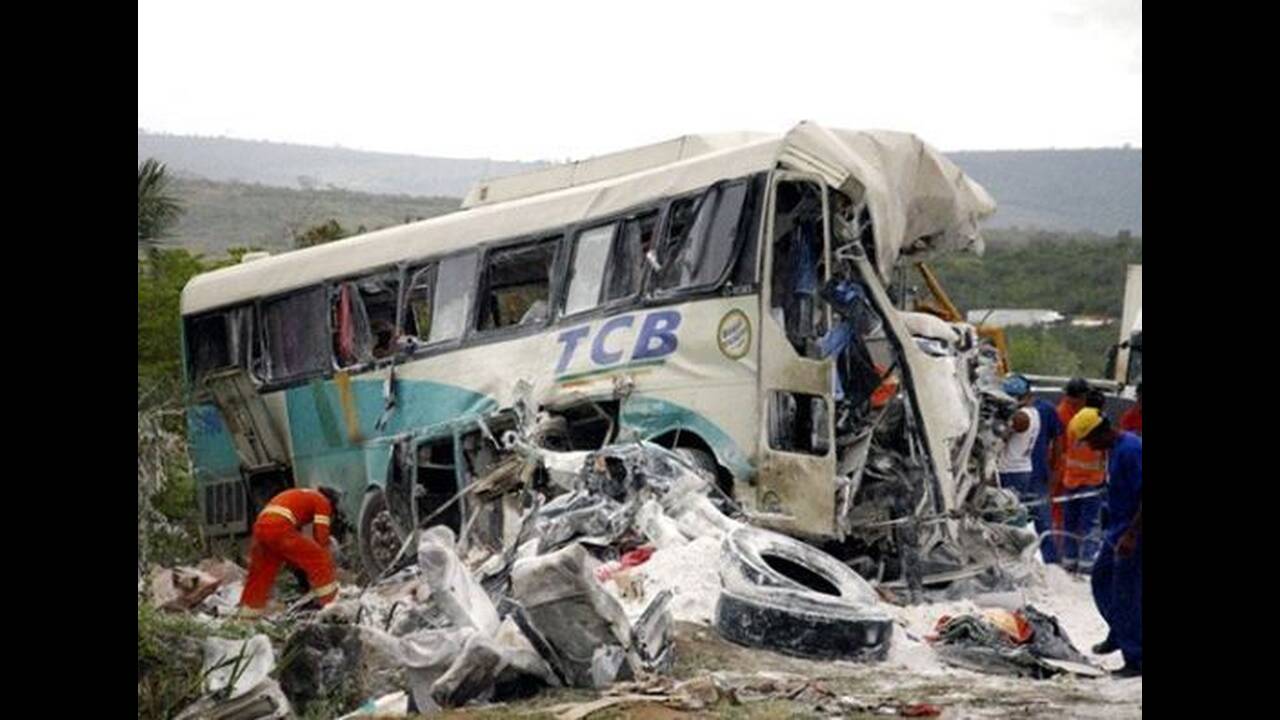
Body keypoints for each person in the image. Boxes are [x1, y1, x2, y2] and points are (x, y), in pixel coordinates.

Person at [1068, 407, 1141, 676]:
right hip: (1117, 528)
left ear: (1101, 432)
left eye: (1089, 440)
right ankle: (1119, 632)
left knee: (1127, 593)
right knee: (1102, 580)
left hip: (1132, 531)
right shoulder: (1114, 450)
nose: (1089, 447)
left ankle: (1136, 657)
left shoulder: (1131, 450)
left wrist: (1132, 535)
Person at [237, 486, 348, 618]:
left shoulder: (302, 496)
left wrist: (299, 567)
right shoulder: (322, 501)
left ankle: (247, 615)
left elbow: (294, 548)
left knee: (261, 573)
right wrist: (328, 559)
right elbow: (321, 536)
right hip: (278, 527)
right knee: (319, 558)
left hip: (261, 527)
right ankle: (331, 605)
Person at [997, 374, 1063, 563]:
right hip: (1026, 469)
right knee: (1034, 519)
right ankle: (1050, 561)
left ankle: (1017, 560)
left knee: (1011, 520)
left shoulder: (1021, 416)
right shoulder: (1035, 412)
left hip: (1012, 471)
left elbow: (1002, 436)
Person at [1055, 378, 1106, 570]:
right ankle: (1086, 562)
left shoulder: (1072, 420)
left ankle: (1069, 559)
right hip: (1091, 480)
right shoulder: (1096, 422)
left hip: (1071, 479)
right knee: (1090, 523)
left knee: (1071, 521)